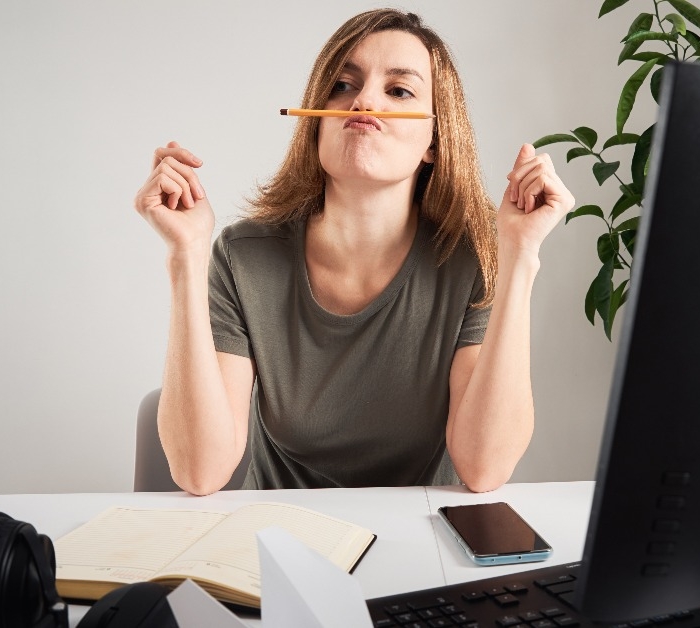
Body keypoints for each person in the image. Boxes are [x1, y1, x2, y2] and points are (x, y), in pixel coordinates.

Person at [133, 9, 574, 496]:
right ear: (316, 124)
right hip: (276, 542)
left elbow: (484, 467)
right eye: (342, 85)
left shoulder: (470, 262)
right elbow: (200, 472)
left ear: (435, 138)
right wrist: (186, 254)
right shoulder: (244, 257)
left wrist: (520, 256)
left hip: (425, 549)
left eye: (399, 90)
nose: (363, 101)